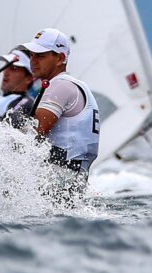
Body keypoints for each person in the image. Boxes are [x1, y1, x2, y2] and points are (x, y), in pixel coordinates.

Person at [21, 28, 100, 196]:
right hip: (72, 179)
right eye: (31, 55)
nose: (33, 61)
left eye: (40, 56)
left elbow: (32, 134)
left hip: (59, 178)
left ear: (60, 58)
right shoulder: (73, 85)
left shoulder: (60, 85)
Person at [0, 49, 35, 128]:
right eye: (6, 66)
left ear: (28, 79)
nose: (6, 72)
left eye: (14, 68)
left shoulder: (26, 101)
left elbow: (8, 126)